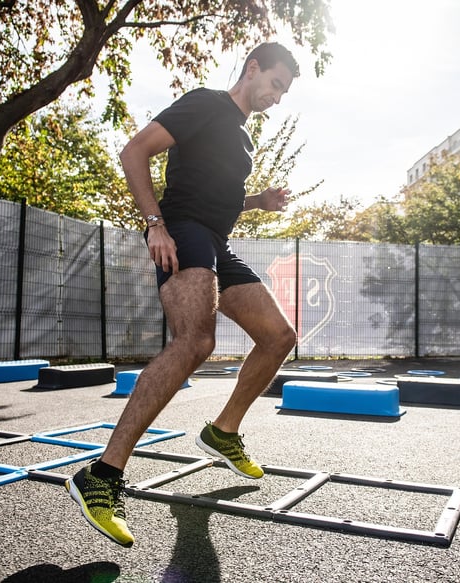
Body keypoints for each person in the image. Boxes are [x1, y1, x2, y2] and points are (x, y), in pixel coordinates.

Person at [65, 42, 300, 547]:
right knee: (194, 341)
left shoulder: (241, 139)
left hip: (216, 242)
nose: (278, 97)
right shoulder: (206, 102)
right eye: (276, 84)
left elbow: (223, 197)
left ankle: (222, 431)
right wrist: (155, 225)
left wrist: (261, 201)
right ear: (253, 68)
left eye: (285, 92)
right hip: (183, 231)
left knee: (279, 336)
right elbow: (134, 150)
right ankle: (102, 476)